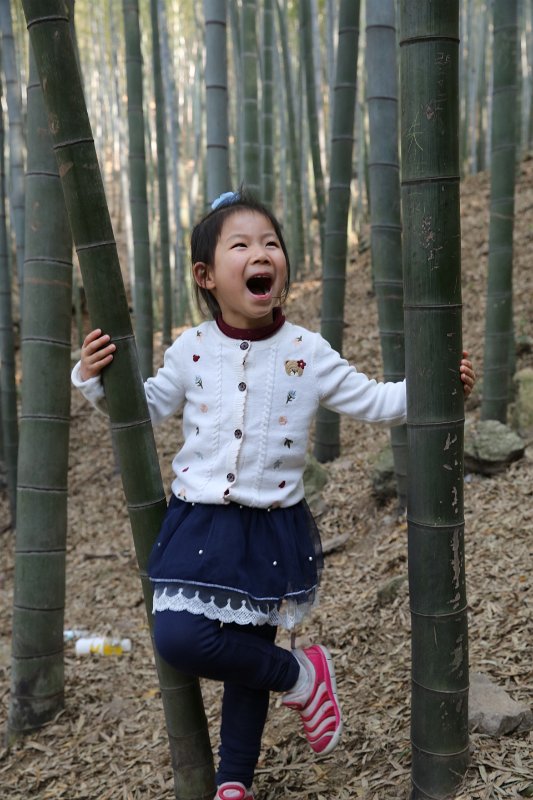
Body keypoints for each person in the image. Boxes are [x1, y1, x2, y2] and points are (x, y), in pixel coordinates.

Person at [72, 190, 476, 800]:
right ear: (207, 276)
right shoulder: (191, 348)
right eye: (240, 245)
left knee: (248, 656)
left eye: (270, 243)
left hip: (269, 527)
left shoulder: (306, 352)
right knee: (179, 637)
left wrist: (440, 384)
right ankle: (300, 674)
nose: (261, 253)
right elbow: (144, 407)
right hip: (198, 521)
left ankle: (234, 779)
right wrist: (93, 377)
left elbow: (377, 400)